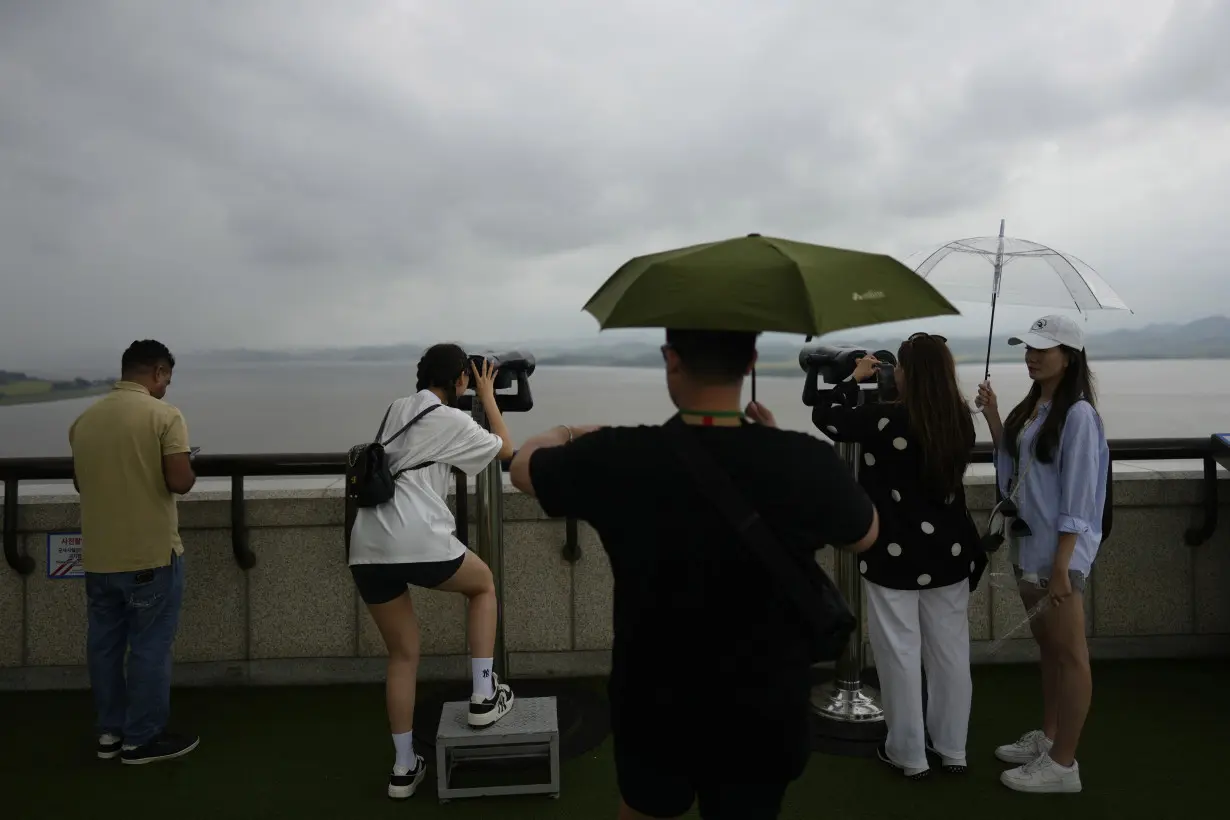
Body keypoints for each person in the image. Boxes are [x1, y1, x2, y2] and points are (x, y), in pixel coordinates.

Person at [509, 329, 880, 820]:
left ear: (671, 359)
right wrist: (772, 447)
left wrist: (569, 433)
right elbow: (865, 534)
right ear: (749, 361)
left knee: (646, 809)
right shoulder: (802, 458)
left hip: (655, 702)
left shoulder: (621, 456)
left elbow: (522, 468)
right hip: (765, 706)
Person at [347, 343, 518, 800]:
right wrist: (488, 397)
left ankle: (403, 769)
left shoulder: (397, 409)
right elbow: (505, 449)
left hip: (366, 546)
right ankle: (484, 696)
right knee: (482, 586)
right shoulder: (452, 418)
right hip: (417, 537)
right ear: (461, 379)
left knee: (403, 656)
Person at [812, 333, 984, 780]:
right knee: (949, 653)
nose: (895, 373)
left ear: (910, 372)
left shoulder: (885, 420)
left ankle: (908, 753)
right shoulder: (960, 419)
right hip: (950, 551)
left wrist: (855, 377)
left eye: (899, 368)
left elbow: (827, 416)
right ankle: (952, 748)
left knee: (899, 653)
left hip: (894, 553)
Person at [977, 314, 1108, 795]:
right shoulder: (1036, 408)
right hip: (1029, 545)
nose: (1031, 355)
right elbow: (1016, 471)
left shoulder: (1077, 415)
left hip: (1059, 556)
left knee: (1071, 655)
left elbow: (1078, 498)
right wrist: (994, 418)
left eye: (1042, 348)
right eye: (1027, 347)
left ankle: (1064, 764)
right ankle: (1050, 738)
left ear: (1068, 356)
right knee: (1049, 649)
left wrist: (1061, 567)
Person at [69, 339, 199, 765]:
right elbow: (179, 481)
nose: (166, 387)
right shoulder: (164, 416)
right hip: (151, 556)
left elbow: (81, 483)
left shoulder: (85, 420)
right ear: (158, 372)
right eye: (167, 379)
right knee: (149, 647)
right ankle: (141, 740)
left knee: (104, 646)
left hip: (99, 557)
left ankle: (109, 732)